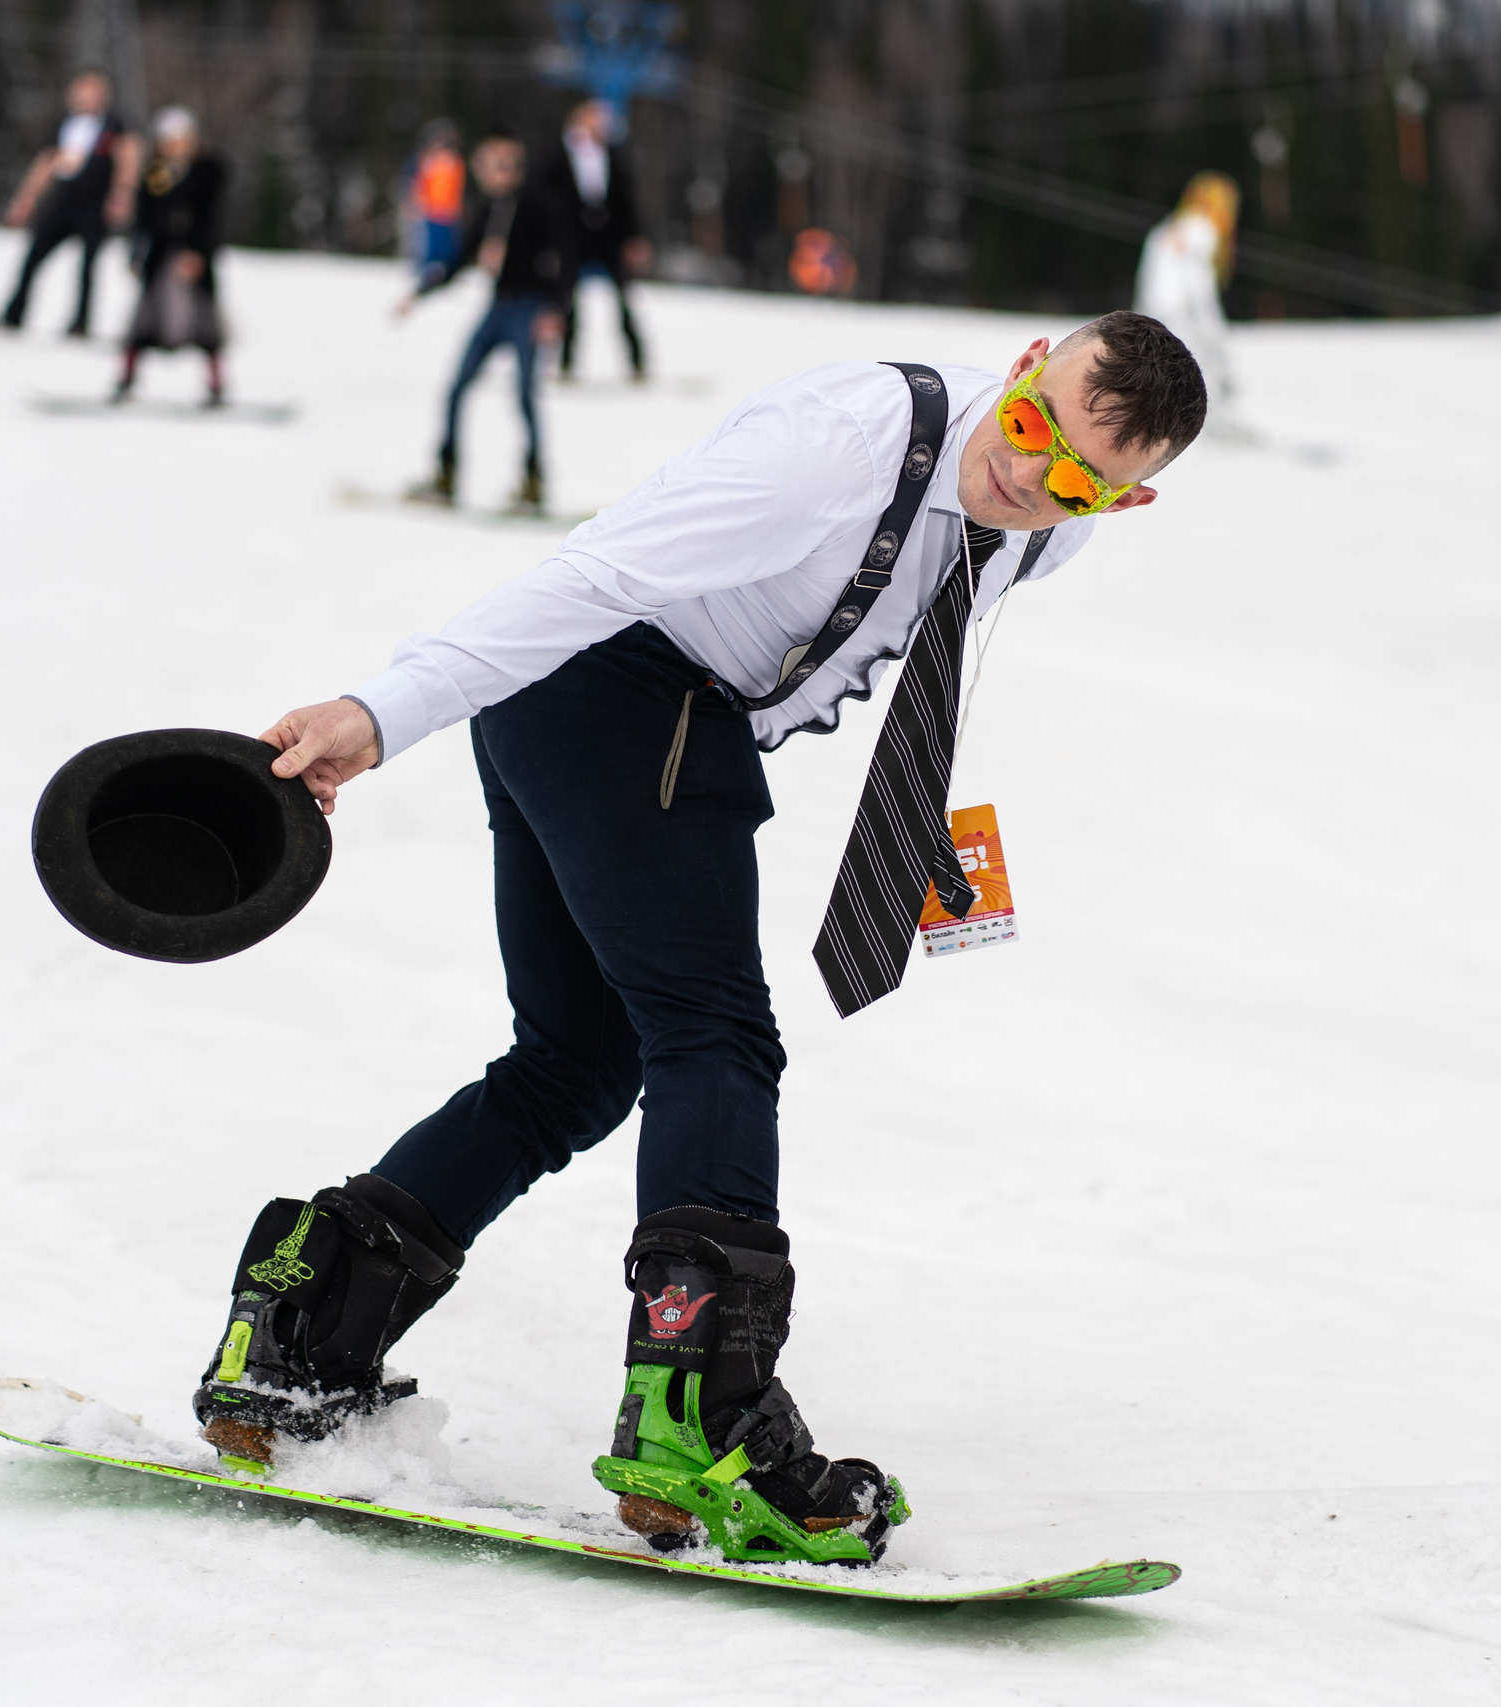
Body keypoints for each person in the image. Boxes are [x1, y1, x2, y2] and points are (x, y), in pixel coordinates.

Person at [193, 311, 1206, 1565]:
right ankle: (699, 1424)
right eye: (1026, 425)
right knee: (714, 1037)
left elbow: (943, 625)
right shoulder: (840, 440)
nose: (1023, 474)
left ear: (1128, 498)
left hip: (634, 718)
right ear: (1023, 365)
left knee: (579, 1062)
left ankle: (296, 1337)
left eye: (1072, 481)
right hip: (617, 684)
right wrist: (380, 713)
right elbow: (592, 578)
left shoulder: (1046, 539)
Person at [401, 133, 571, 515]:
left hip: (530, 307)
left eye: (499, 163)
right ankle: (446, 475)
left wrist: (555, 311)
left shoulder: (540, 203)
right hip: (498, 306)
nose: (492, 172)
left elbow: (565, 261)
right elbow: (462, 258)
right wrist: (421, 292)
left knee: (525, 395)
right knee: (457, 388)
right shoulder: (490, 207)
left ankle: (533, 483)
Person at [0, 70, 142, 338]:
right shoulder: (62, 123)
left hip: (95, 204)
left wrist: (122, 194)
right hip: (63, 201)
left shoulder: (116, 124)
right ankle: (14, 314)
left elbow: (128, 156)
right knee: (34, 257)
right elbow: (45, 163)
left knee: (87, 266)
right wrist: (26, 199)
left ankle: (80, 322)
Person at [113, 108, 227, 407]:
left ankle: (216, 385)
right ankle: (125, 380)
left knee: (205, 325)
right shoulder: (156, 172)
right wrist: (137, 255)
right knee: (143, 322)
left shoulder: (208, 172)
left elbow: (210, 219)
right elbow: (146, 218)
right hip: (160, 257)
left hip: (194, 259)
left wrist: (198, 253)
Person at [536, 98, 650, 382]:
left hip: (607, 234)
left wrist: (634, 238)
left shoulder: (613, 154)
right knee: (567, 299)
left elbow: (626, 200)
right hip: (571, 236)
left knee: (624, 298)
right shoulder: (558, 154)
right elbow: (544, 198)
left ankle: (637, 360)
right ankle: (566, 361)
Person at [1134, 171, 1237, 410]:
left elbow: (1147, 280)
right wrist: (1214, 328)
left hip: (1156, 316)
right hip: (1183, 319)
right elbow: (1198, 287)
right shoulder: (1201, 230)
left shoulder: (1168, 227)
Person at [404, 119, 465, 290]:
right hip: (431, 210)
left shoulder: (454, 160)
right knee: (428, 244)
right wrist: (414, 200)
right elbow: (416, 181)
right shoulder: (427, 159)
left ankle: (446, 273)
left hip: (449, 210)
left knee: (448, 246)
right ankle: (425, 272)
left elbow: (457, 185)